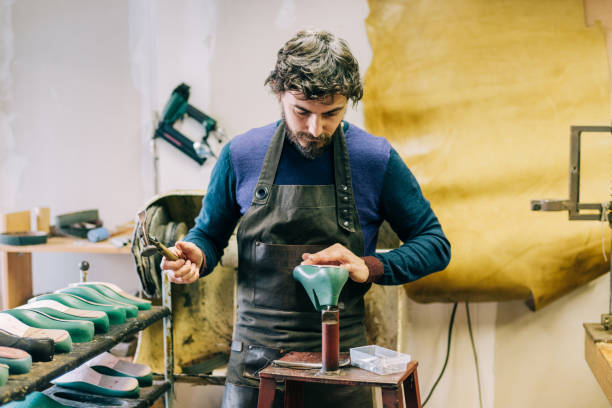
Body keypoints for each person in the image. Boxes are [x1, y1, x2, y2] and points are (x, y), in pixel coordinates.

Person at [161, 30, 451, 408]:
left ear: (349, 102)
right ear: (278, 93)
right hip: (256, 370)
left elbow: (435, 244)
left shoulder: (374, 159)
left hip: (342, 370)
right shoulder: (241, 155)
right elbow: (209, 235)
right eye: (302, 112)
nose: (316, 130)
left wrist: (369, 266)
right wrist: (196, 255)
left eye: (331, 114)